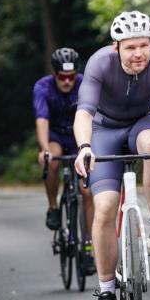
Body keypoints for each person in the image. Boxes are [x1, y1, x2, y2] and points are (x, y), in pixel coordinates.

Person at [72, 10, 150, 300]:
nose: (139, 54)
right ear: (116, 47)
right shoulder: (99, 63)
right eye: (130, 47)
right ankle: (106, 291)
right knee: (105, 207)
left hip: (143, 123)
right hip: (103, 131)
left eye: (144, 45)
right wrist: (84, 147)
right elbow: (84, 112)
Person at [33, 47, 95, 274]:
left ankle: (88, 248)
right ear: (54, 74)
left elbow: (94, 115)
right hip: (56, 135)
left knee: (86, 191)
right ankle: (53, 207)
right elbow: (42, 119)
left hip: (79, 136)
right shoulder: (42, 87)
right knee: (52, 160)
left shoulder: (85, 84)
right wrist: (44, 149)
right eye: (62, 77)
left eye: (71, 77)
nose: (67, 82)